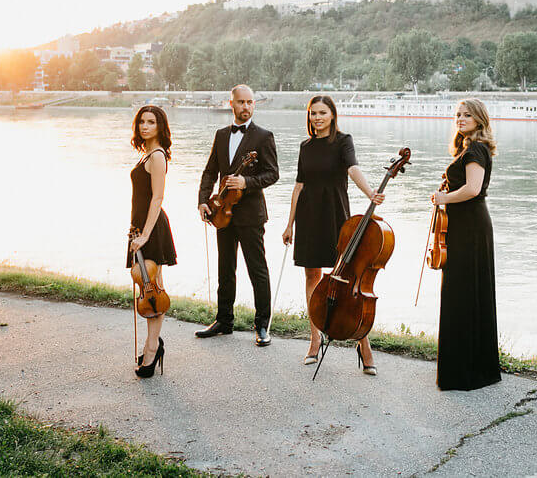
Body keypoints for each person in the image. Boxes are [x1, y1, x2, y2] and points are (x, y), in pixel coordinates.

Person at [282, 95, 384, 374]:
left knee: (348, 278)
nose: (317, 118)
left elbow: (353, 169)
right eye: (313, 113)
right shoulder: (305, 146)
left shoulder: (343, 141)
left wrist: (370, 193)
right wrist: (289, 224)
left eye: (322, 113)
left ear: (332, 115)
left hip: (337, 217)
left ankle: (363, 345)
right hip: (308, 218)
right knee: (312, 277)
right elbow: (299, 186)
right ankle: (314, 341)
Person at [197, 85, 279, 346]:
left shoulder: (264, 136)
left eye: (250, 102)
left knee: (258, 270)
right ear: (230, 103)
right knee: (225, 269)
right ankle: (224, 321)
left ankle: (262, 326)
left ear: (254, 105)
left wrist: (246, 182)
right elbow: (210, 171)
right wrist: (202, 201)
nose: (246, 107)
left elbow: (272, 174)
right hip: (222, 213)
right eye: (241, 102)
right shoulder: (221, 135)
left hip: (251, 215)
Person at [430, 98, 501, 391]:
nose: (460, 118)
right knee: (465, 292)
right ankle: (472, 367)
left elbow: (472, 189)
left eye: (467, 114)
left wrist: (443, 198)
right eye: (458, 114)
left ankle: (465, 372)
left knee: (462, 292)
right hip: (465, 226)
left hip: (470, 228)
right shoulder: (468, 149)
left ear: (479, 119)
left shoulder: (475, 149)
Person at [128, 104, 177, 378]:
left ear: (160, 126)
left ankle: (151, 349)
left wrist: (145, 234)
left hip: (151, 230)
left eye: (151, 122)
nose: (145, 126)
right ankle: (153, 346)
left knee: (153, 292)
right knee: (148, 289)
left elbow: (157, 198)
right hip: (139, 229)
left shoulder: (157, 156)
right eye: (141, 122)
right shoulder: (146, 154)